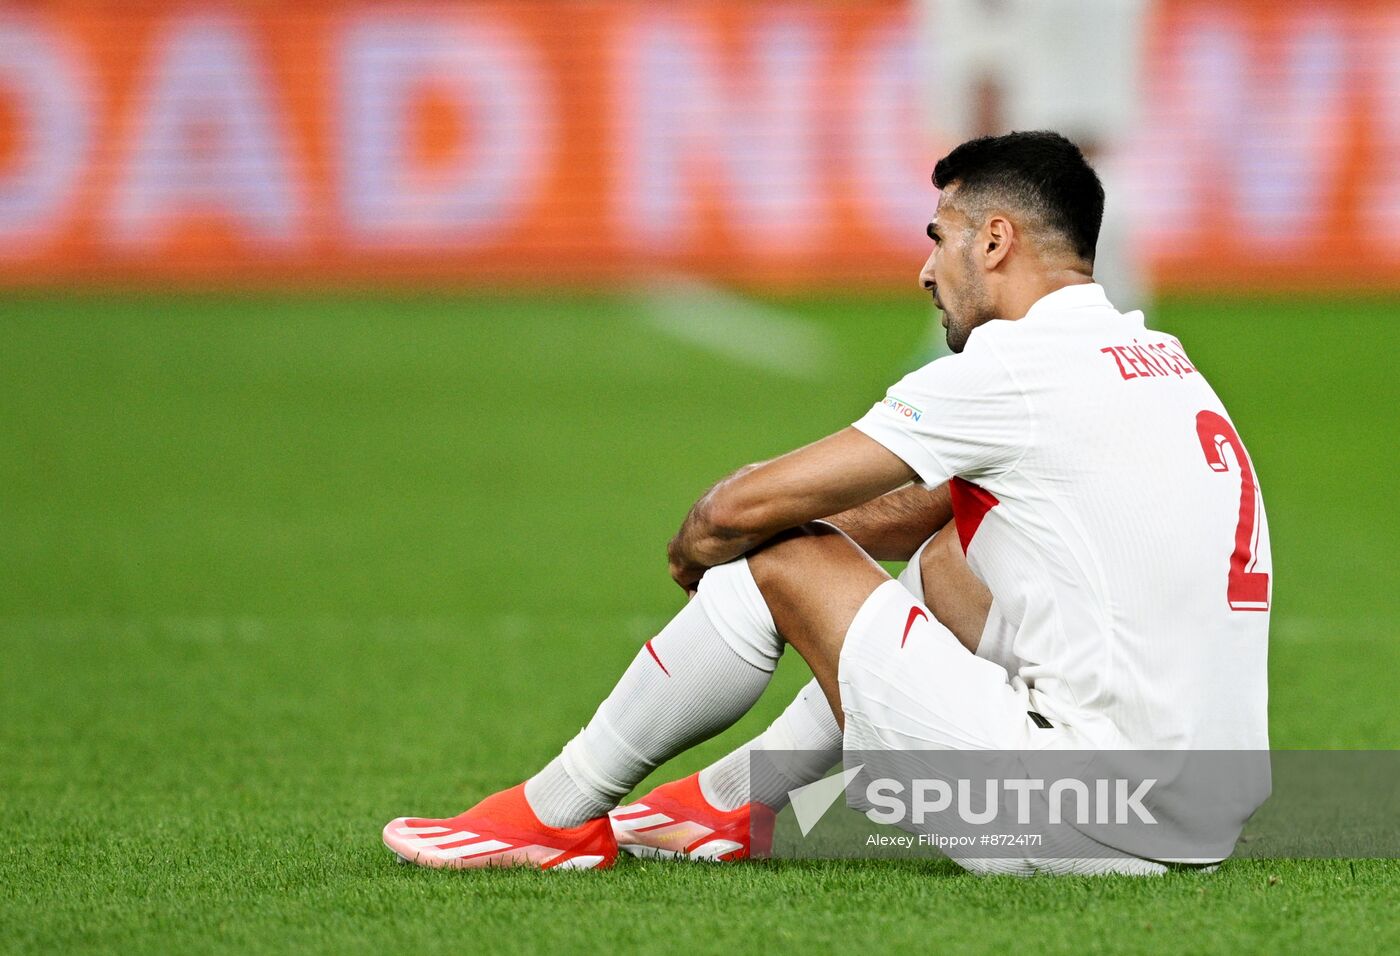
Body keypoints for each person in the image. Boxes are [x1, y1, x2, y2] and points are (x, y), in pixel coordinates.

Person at [382, 131, 1270, 876]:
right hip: (1198, 818)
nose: (927, 270)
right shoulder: (1154, 355)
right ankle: (733, 803)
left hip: (1087, 822)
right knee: (950, 561)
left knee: (773, 548)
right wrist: (808, 564)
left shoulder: (1017, 367)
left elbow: (747, 508)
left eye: (939, 237)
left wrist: (711, 546)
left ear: (994, 242)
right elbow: (921, 509)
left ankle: (553, 814)